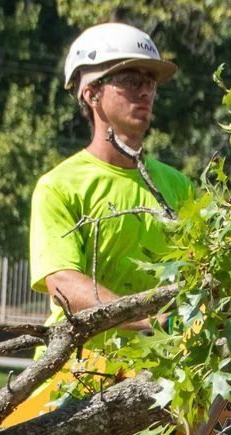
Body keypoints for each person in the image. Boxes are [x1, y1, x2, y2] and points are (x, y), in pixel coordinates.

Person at [29, 23, 193, 319]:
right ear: (92, 94)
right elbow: (62, 283)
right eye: (130, 80)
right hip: (78, 363)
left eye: (150, 83)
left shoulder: (179, 186)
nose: (144, 92)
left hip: (157, 363)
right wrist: (146, 320)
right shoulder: (59, 186)